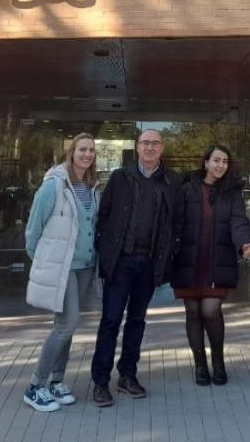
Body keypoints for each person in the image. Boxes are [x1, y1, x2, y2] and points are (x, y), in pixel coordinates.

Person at [90, 129, 184, 407]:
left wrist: (170, 255)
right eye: (145, 143)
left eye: (155, 143)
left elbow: (176, 222)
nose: (150, 147)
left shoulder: (172, 181)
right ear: (137, 147)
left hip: (149, 263)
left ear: (162, 148)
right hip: (121, 262)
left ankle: (127, 376)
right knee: (110, 321)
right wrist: (106, 251)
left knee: (137, 321)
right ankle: (100, 382)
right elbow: (104, 216)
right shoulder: (121, 177)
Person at [22, 133, 102, 412]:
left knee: (68, 325)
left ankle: (56, 381)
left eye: (92, 150)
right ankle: (35, 386)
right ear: (72, 152)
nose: (87, 154)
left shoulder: (92, 186)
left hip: (84, 267)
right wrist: (43, 263)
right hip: (63, 268)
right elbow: (33, 230)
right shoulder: (53, 186)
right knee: (66, 324)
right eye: (82, 149)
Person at [170, 145, 250, 386]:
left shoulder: (231, 192)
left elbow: (239, 221)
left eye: (225, 161)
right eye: (216, 160)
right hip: (188, 260)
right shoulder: (187, 188)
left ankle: (218, 360)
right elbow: (175, 221)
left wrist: (244, 244)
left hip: (217, 260)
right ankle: (199, 364)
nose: (220, 165)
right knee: (193, 312)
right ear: (205, 162)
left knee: (210, 310)